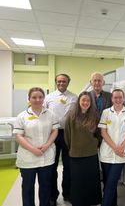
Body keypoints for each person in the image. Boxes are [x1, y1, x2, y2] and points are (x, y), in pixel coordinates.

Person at [13, 87, 59, 206]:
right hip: (28, 158)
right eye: (34, 97)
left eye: (40, 97)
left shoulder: (51, 114)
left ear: (44, 99)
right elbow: (19, 136)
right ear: (29, 99)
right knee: (28, 187)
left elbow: (55, 131)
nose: (37, 100)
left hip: (46, 156)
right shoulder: (22, 116)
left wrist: (46, 145)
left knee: (45, 187)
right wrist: (33, 149)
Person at [99, 89, 125, 206]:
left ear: (123, 98)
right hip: (107, 152)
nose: (118, 100)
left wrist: (122, 146)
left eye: (120, 97)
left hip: (121, 153)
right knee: (108, 183)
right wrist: (115, 148)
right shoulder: (106, 112)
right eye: (115, 97)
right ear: (112, 98)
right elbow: (103, 132)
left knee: (111, 182)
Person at [44, 73, 77, 205]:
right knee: (52, 166)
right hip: (53, 133)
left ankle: (67, 193)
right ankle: (53, 195)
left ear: (68, 82)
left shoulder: (74, 97)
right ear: (56, 82)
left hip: (68, 134)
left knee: (68, 166)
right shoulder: (49, 97)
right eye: (59, 81)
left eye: (64, 81)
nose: (61, 83)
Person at [64, 91, 101, 206]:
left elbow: (99, 133)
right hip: (76, 153)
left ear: (91, 103)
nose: (85, 102)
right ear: (79, 101)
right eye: (83, 100)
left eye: (88, 101)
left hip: (91, 153)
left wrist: (95, 144)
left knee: (91, 179)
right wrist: (73, 147)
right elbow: (67, 135)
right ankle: (78, 201)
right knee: (78, 180)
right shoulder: (71, 115)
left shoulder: (95, 115)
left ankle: (93, 200)